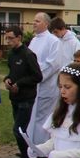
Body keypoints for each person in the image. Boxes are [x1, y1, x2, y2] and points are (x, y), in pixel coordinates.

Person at [3, 26, 43, 158]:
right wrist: (7, 80)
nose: (8, 41)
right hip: (15, 96)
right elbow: (12, 72)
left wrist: (19, 84)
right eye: (6, 38)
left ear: (19, 37)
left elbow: (37, 76)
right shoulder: (11, 54)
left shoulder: (28, 54)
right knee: (20, 129)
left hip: (26, 96)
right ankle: (25, 153)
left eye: (11, 38)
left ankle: (29, 157)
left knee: (18, 129)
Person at [26, 12, 61, 145]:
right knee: (32, 116)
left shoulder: (53, 41)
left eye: (37, 21)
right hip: (33, 85)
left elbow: (53, 63)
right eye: (34, 20)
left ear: (46, 24)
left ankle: (42, 146)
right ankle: (31, 145)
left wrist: (36, 74)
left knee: (43, 117)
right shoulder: (34, 40)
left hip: (46, 85)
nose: (34, 23)